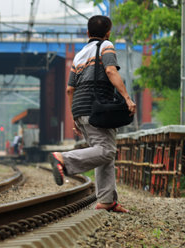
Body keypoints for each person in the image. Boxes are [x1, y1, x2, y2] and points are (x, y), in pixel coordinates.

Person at [50, 15, 136, 213]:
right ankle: (63, 159)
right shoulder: (106, 46)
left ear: (88, 33)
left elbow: (69, 89)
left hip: (81, 109)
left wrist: (74, 116)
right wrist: (127, 98)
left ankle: (107, 200)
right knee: (106, 151)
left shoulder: (79, 55)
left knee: (103, 152)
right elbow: (111, 71)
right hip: (97, 109)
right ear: (108, 33)